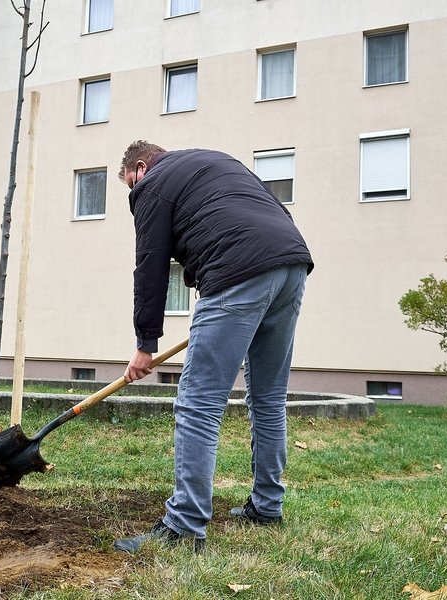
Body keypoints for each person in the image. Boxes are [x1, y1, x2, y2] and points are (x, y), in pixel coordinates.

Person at [112, 141, 314, 553]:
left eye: (130, 184)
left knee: (198, 403)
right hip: (291, 265)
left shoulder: (152, 184)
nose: (134, 193)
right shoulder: (217, 160)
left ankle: (185, 526)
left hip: (236, 270)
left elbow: (150, 265)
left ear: (140, 167)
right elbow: (276, 212)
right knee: (269, 398)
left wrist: (145, 344)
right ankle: (267, 506)